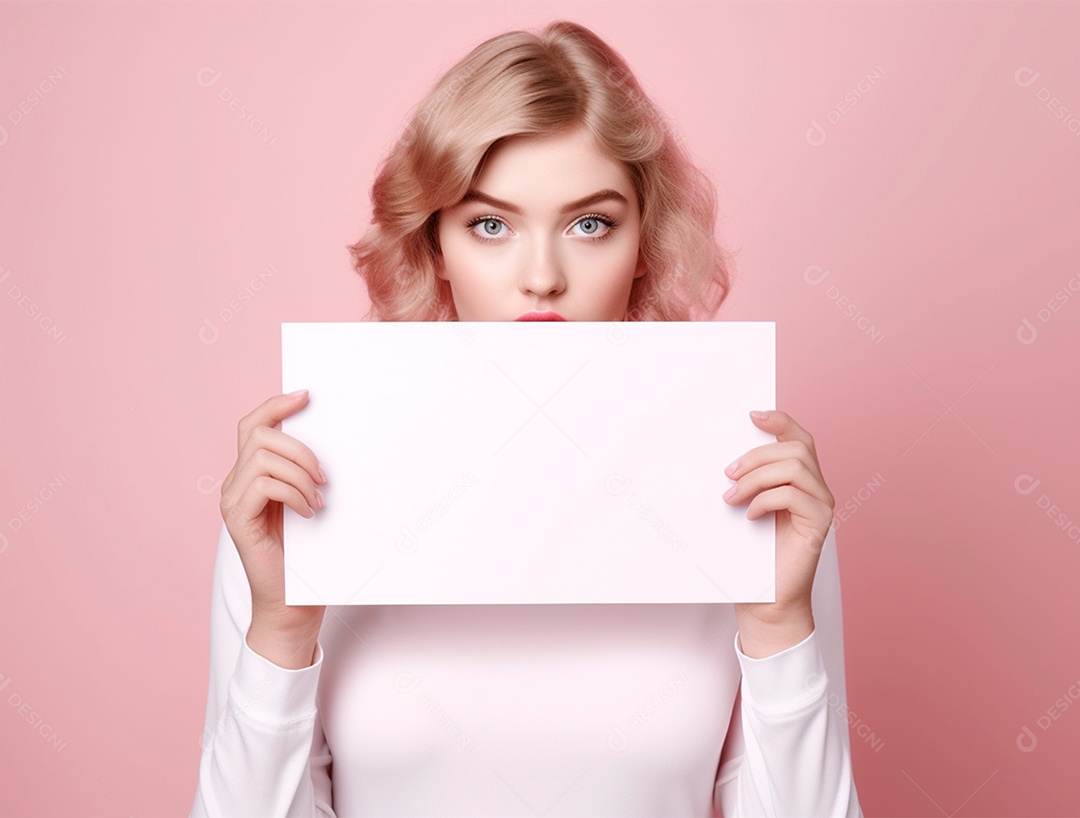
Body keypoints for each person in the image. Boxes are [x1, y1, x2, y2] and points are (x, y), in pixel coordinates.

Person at [190, 20, 863, 817]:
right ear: (435, 245)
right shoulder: (303, 495)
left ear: (644, 241)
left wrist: (780, 623)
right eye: (490, 225)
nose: (541, 277)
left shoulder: (752, 494)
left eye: (590, 224)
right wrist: (280, 632)